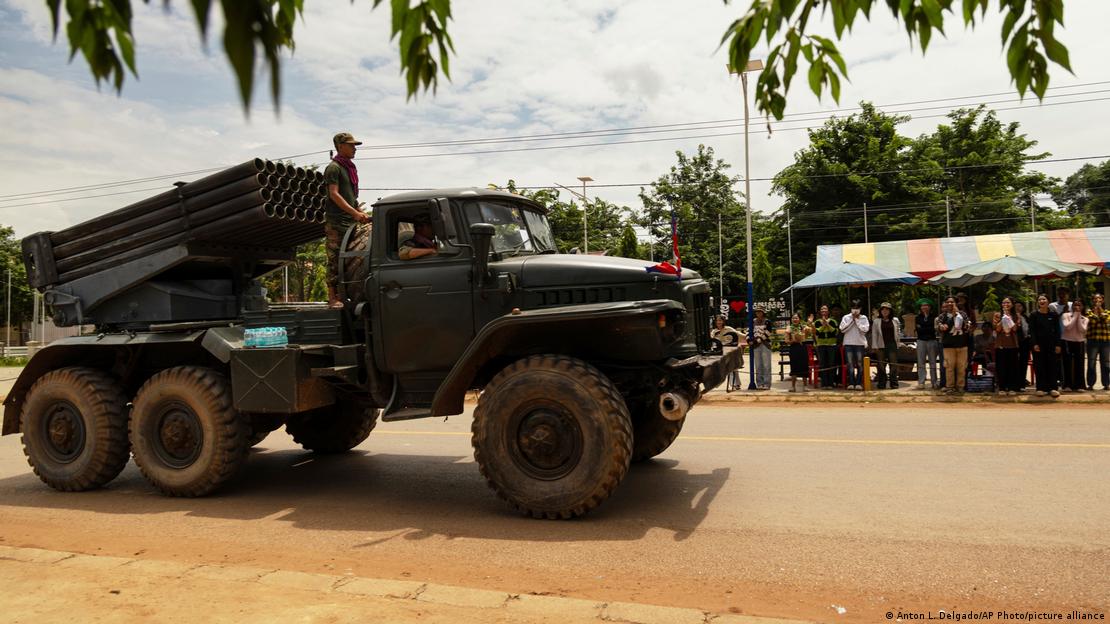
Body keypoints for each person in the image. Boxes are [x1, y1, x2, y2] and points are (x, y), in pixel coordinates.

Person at [324, 132, 372, 309]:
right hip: (337, 222)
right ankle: (332, 297)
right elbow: (334, 194)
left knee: (352, 259)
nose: (354, 148)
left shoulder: (349, 168)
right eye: (351, 145)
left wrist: (359, 211)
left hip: (350, 221)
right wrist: (354, 213)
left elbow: (350, 197)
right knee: (334, 259)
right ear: (340, 146)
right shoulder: (334, 168)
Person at [1028, 294, 1061, 398]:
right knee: (1039, 366)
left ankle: (1053, 388)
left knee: (1052, 366)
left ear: (1048, 301)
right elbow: (1032, 331)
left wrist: (1058, 344)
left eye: (1044, 299)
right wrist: (1034, 344)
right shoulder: (1033, 315)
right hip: (1038, 345)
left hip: (1051, 344)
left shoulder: (1054, 314)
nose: (1042, 301)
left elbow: (1057, 331)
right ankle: (1040, 388)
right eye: (1040, 299)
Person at [936, 296, 968, 395]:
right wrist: (941, 327)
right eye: (948, 302)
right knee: (949, 367)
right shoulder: (943, 316)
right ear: (945, 304)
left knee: (961, 367)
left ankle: (960, 387)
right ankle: (950, 387)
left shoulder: (962, 314)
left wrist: (958, 315)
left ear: (956, 303)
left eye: (952, 302)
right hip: (948, 345)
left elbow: (967, 326)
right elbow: (939, 327)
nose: (950, 304)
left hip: (962, 344)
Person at [993, 297, 1023, 395]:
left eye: (1008, 302)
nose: (1005, 304)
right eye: (1003, 302)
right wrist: (1003, 317)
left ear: (1012, 304)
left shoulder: (1017, 315)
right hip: (1000, 344)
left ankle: (1012, 387)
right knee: (1001, 367)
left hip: (1012, 344)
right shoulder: (997, 315)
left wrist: (1009, 318)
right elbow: (997, 329)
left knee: (1012, 367)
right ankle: (1001, 387)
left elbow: (1014, 328)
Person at [869, 302, 902, 389]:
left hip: (892, 345)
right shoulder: (876, 321)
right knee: (881, 365)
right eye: (883, 309)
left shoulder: (895, 320)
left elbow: (898, 333)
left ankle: (894, 383)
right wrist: (874, 346)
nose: (885, 311)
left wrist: (898, 344)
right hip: (880, 346)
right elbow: (874, 334)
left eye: (887, 309)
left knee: (893, 365)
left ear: (890, 311)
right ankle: (882, 383)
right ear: (880, 311)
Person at [839, 300, 870, 390]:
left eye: (857, 308)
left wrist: (857, 320)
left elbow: (864, 331)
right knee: (850, 364)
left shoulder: (863, 318)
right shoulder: (846, 317)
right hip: (848, 343)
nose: (855, 310)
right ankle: (851, 383)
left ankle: (859, 383)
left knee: (860, 364)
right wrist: (852, 320)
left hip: (860, 343)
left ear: (860, 309)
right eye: (853, 308)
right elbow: (842, 329)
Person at [1060, 298, 1088, 392]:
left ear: (1083, 307)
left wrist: (1078, 317)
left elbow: (1082, 330)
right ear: (1072, 306)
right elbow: (1068, 327)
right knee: (1067, 363)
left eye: (1079, 305)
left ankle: (1080, 385)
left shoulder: (1085, 318)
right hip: (1067, 341)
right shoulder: (1066, 315)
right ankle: (1067, 385)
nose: (1077, 307)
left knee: (1079, 363)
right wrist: (1075, 316)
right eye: (1075, 305)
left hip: (1079, 341)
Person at [711, 315, 742, 390]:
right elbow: (711, 341)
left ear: (723, 321)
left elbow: (739, 335)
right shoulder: (714, 331)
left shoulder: (728, 329)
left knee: (733, 368)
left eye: (720, 320)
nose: (719, 322)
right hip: (719, 352)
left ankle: (736, 384)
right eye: (717, 320)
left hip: (729, 351)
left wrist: (748, 335)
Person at [1086, 293, 1110, 391]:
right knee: (1091, 363)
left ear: (1102, 300)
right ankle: (1091, 384)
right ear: (1093, 301)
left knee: (1105, 363)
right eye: (1095, 299)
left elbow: (1106, 321)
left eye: (1099, 298)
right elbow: (1092, 322)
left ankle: (1106, 384)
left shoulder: (1108, 312)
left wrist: (1100, 312)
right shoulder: (1089, 312)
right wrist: (1096, 312)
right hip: (1092, 341)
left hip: (1105, 341)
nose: (1097, 300)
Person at [813, 304, 839, 389]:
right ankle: (824, 383)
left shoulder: (833, 321)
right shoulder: (817, 322)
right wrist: (824, 326)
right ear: (820, 312)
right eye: (822, 310)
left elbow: (835, 332)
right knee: (823, 364)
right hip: (821, 345)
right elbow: (817, 332)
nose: (824, 311)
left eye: (825, 309)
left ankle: (831, 383)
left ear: (828, 312)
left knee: (831, 364)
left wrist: (827, 325)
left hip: (831, 345)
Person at [915, 299, 939, 389]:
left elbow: (933, 330)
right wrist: (927, 327)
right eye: (922, 306)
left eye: (926, 305)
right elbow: (918, 330)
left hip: (932, 341)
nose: (924, 307)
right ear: (920, 308)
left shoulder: (934, 317)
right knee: (921, 362)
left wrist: (924, 327)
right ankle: (921, 382)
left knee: (933, 362)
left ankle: (934, 382)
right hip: (921, 341)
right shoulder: (917, 317)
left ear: (930, 307)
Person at [747, 307, 774, 390]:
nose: (758, 313)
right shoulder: (753, 321)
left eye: (760, 312)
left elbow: (768, 333)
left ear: (763, 312)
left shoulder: (767, 321)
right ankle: (760, 383)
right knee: (758, 365)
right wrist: (748, 340)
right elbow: (748, 331)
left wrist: (757, 341)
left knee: (766, 365)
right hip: (755, 346)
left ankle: (767, 383)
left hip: (765, 345)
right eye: (757, 312)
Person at [787, 313, 811, 392]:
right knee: (794, 367)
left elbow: (808, 334)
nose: (795, 320)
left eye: (796, 318)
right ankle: (793, 387)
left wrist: (809, 325)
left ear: (799, 319)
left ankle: (805, 386)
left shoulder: (803, 327)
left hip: (802, 348)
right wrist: (793, 340)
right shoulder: (789, 328)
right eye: (793, 318)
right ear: (791, 320)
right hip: (793, 348)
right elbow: (786, 341)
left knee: (804, 366)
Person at [1013, 300, 1032, 388]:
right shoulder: (1012, 317)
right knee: (1015, 363)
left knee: (1024, 363)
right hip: (1014, 343)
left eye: (1020, 306)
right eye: (1016, 306)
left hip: (1025, 342)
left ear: (1023, 308)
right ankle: (1015, 384)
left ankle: (1022, 384)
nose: (1018, 307)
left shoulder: (1026, 317)